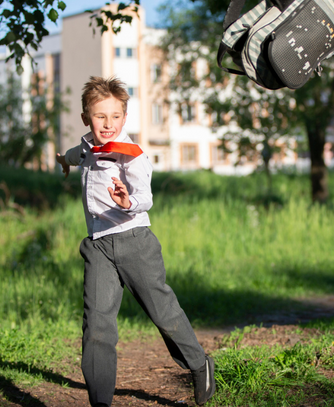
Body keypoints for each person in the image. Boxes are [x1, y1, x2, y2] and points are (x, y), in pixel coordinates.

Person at [56, 76, 215, 407]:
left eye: (115, 116)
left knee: (163, 313)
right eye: (100, 116)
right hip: (98, 247)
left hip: (135, 243)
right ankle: (100, 401)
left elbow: (145, 195)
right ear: (86, 117)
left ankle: (199, 364)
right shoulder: (86, 146)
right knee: (96, 326)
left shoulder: (132, 153)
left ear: (125, 118)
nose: (108, 123)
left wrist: (129, 201)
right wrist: (64, 161)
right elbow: (75, 153)